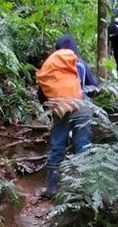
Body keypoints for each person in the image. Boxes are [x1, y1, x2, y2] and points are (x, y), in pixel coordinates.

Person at [36, 34, 98, 199]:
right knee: (83, 147)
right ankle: (82, 189)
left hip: (60, 110)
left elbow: (42, 94)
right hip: (82, 108)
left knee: (57, 148)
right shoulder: (81, 64)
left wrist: (53, 107)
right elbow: (93, 88)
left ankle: (51, 188)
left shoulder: (51, 66)